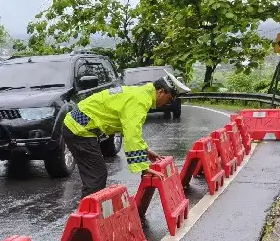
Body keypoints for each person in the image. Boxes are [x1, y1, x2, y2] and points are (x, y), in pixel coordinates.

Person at [62, 72, 191, 198]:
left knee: (95, 175)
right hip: (79, 129)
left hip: (80, 125)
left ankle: (89, 212)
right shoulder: (140, 101)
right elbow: (132, 135)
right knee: (96, 177)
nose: (167, 103)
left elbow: (130, 130)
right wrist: (144, 168)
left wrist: (146, 150)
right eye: (168, 99)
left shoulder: (140, 94)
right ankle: (86, 216)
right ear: (161, 91)